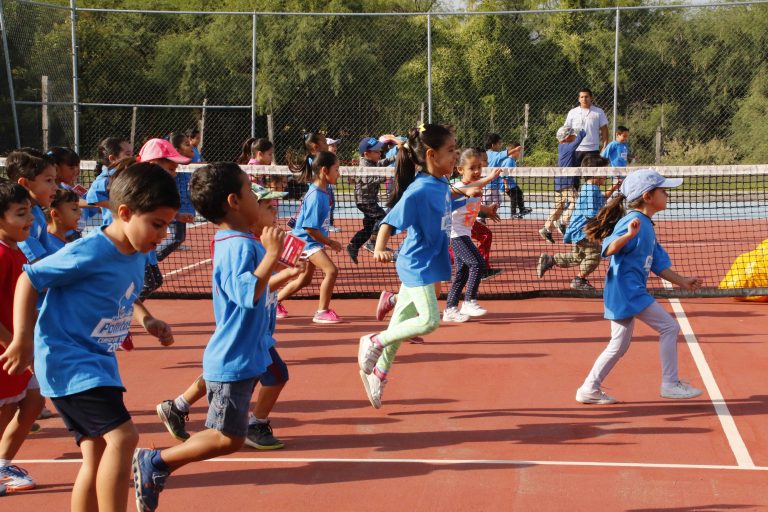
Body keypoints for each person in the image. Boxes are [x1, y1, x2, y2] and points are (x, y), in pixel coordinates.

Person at [0, 164, 179, 511]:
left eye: (167, 225)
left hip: (98, 362)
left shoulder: (137, 252)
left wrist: (146, 318)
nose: (163, 233)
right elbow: (29, 279)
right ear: (124, 213)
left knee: (96, 454)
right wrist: (22, 338)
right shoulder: (91, 250)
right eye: (157, 224)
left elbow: (124, 291)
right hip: (69, 360)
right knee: (124, 438)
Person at [131, 162, 285, 511]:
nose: (257, 199)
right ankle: (155, 461)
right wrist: (272, 256)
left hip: (246, 354)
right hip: (232, 357)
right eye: (251, 192)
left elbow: (254, 288)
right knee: (225, 437)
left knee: (230, 438)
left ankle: (158, 462)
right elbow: (245, 293)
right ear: (234, 201)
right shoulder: (238, 246)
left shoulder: (242, 242)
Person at [156, 187, 306, 450]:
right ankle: (255, 424)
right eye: (268, 207)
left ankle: (178, 406)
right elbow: (249, 291)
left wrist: (286, 270)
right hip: (246, 336)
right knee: (264, 378)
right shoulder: (242, 246)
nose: (275, 213)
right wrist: (277, 262)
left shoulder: (255, 245)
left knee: (231, 379)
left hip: (253, 335)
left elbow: (262, 284)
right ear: (244, 209)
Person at [357, 124, 480, 409]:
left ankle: (379, 373)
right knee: (429, 321)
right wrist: (379, 247)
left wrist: (470, 197)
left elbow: (446, 203)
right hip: (417, 264)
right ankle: (373, 341)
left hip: (429, 261)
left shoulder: (439, 184)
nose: (456, 155)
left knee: (401, 324)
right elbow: (389, 221)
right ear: (431, 155)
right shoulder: (420, 189)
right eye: (451, 150)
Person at [573, 169, 703, 404]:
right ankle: (670, 384)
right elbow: (608, 248)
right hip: (627, 291)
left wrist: (682, 281)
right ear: (647, 196)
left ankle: (589, 389)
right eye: (663, 191)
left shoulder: (647, 225)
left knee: (619, 345)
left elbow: (658, 264)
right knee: (669, 327)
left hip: (626, 291)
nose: (667, 195)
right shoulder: (632, 222)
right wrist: (628, 236)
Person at [0, 182, 44, 493]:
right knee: (5, 410)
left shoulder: (16, 251)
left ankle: (2, 463)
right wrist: (13, 345)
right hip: (8, 349)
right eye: (20, 213)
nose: (29, 219)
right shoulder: (2, 254)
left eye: (29, 212)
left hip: (18, 346)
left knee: (33, 400)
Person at [277, 151, 343, 323]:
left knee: (305, 279)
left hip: (309, 241)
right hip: (306, 242)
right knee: (331, 271)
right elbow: (310, 229)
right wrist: (331, 242)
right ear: (324, 170)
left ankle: (273, 302)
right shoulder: (316, 197)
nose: (339, 173)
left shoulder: (322, 190)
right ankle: (322, 311)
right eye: (336, 169)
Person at [537, 156, 619, 290]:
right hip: (584, 231)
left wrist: (614, 187)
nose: (606, 175)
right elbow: (592, 214)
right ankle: (579, 280)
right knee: (594, 255)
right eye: (604, 171)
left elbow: (602, 197)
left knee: (578, 256)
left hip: (577, 230)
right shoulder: (592, 191)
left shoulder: (590, 188)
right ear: (595, 173)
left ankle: (550, 260)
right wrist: (609, 223)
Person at [443, 149, 502, 322]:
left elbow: (472, 205)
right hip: (455, 234)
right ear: (460, 169)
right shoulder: (459, 186)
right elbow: (470, 189)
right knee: (477, 263)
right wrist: (490, 177)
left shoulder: (474, 189)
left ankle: (450, 309)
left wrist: (487, 210)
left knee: (461, 273)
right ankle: (469, 301)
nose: (477, 171)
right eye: (472, 168)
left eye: (479, 167)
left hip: (465, 233)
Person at [136, 138, 191, 299]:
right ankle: (120, 310)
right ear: (153, 164)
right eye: (171, 169)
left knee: (155, 282)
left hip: (147, 249)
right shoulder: (138, 189)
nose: (174, 174)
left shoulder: (159, 189)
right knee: (145, 284)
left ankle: (126, 309)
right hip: (133, 250)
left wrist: (177, 216)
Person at [346, 137, 396, 264]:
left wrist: (396, 157)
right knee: (382, 217)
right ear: (366, 153)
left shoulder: (373, 162)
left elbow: (383, 162)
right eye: (377, 152)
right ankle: (374, 242)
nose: (380, 153)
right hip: (364, 201)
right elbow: (369, 181)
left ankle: (353, 245)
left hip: (370, 201)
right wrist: (384, 177)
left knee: (368, 228)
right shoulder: (363, 166)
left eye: (379, 151)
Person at [5, 148, 59, 263]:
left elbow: (49, 249)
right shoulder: (18, 222)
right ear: (24, 183)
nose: (56, 187)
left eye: (55, 180)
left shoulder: (37, 212)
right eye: (49, 180)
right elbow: (36, 265)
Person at [539, 126, 586, 244]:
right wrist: (583, 127)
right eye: (572, 134)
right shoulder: (568, 146)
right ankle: (563, 221)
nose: (574, 135)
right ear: (567, 137)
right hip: (567, 182)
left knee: (558, 207)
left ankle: (547, 228)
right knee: (577, 203)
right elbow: (580, 138)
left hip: (559, 182)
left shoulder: (562, 147)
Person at [85, 137, 133, 228]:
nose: (132, 157)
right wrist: (120, 206)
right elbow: (92, 197)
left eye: (132, 154)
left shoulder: (128, 174)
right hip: (113, 227)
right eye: (128, 154)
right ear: (113, 158)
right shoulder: (106, 177)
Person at [485, 134, 530, 218]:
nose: (500, 145)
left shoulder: (485, 154)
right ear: (493, 145)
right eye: (499, 143)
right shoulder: (496, 155)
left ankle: (486, 213)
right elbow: (505, 154)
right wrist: (515, 149)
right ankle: (483, 215)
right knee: (489, 202)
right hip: (490, 185)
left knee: (497, 201)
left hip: (490, 185)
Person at [564, 88, 609, 166]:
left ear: (591, 98)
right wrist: (567, 147)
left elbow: (604, 130)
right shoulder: (572, 112)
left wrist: (605, 146)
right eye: (582, 97)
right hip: (575, 149)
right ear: (579, 99)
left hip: (593, 150)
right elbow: (566, 131)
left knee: (592, 173)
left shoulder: (599, 112)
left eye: (586, 96)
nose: (584, 99)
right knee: (575, 173)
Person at [45, 188, 81, 253]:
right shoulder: (46, 248)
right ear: (55, 215)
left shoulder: (68, 241)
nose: (80, 212)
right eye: (74, 209)